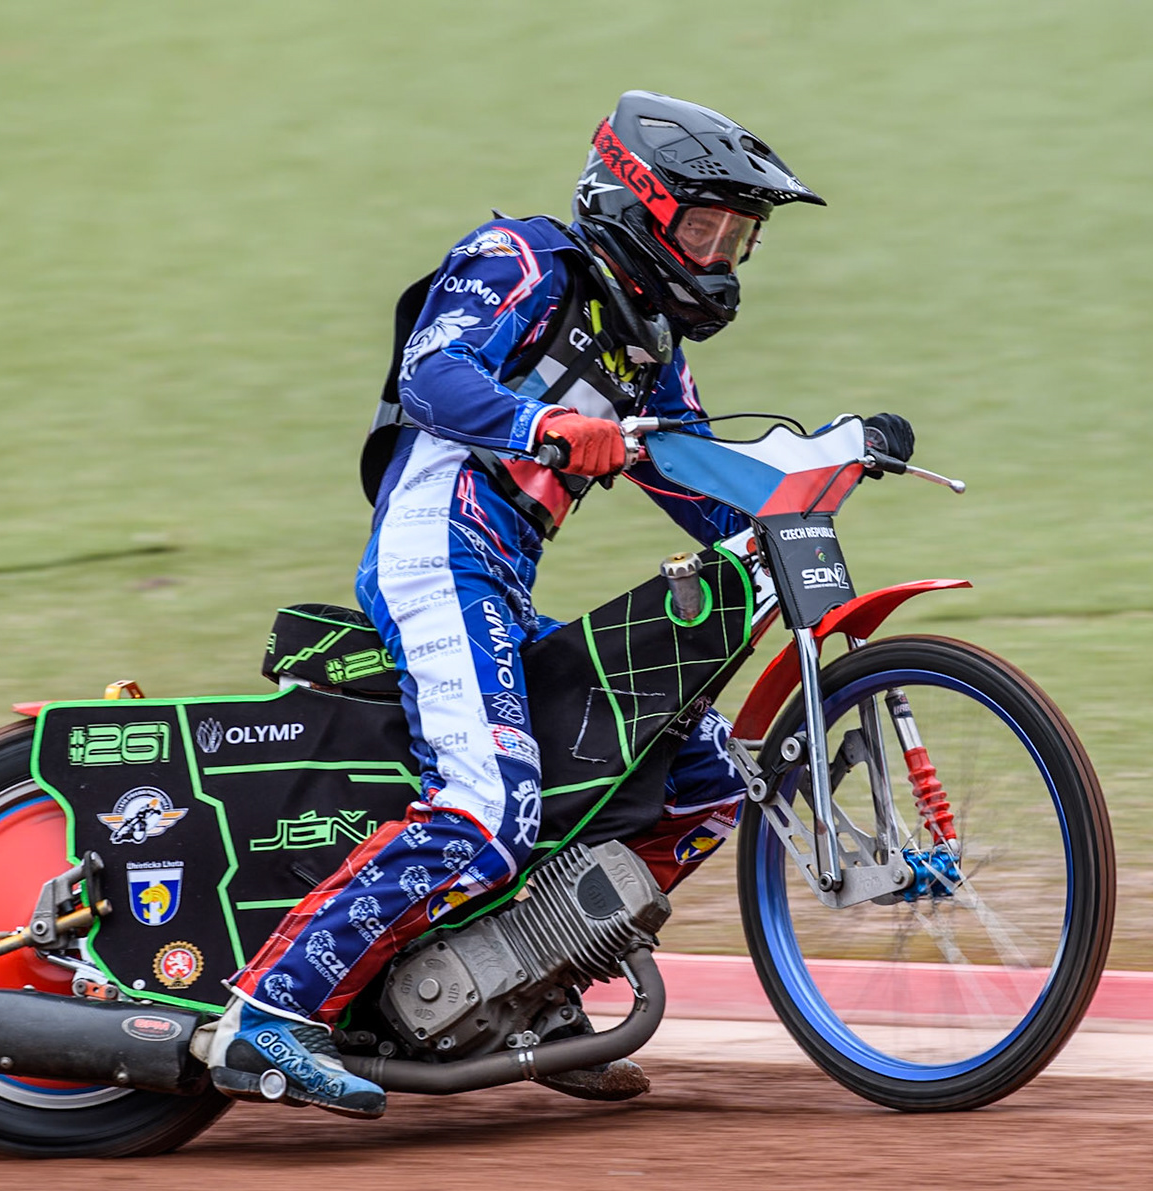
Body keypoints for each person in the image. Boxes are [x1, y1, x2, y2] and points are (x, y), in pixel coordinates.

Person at [208, 91, 826, 1118]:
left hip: (500, 583)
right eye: (705, 228)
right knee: (490, 807)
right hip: (434, 557)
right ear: (637, 204)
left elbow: (702, 488)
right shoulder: (522, 261)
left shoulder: (647, 355)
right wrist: (546, 425)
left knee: (706, 776)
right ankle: (268, 1008)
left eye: (737, 238)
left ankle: (526, 988)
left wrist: (824, 473)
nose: (720, 257)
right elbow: (434, 375)